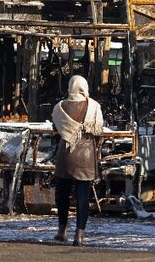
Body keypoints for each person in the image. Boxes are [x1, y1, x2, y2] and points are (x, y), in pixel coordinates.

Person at [51, 75, 104, 247]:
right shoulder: (94, 106)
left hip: (65, 155)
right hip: (86, 157)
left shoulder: (59, 107)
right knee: (82, 197)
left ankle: (61, 231)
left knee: (63, 196)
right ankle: (79, 235)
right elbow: (99, 130)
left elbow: (55, 128)